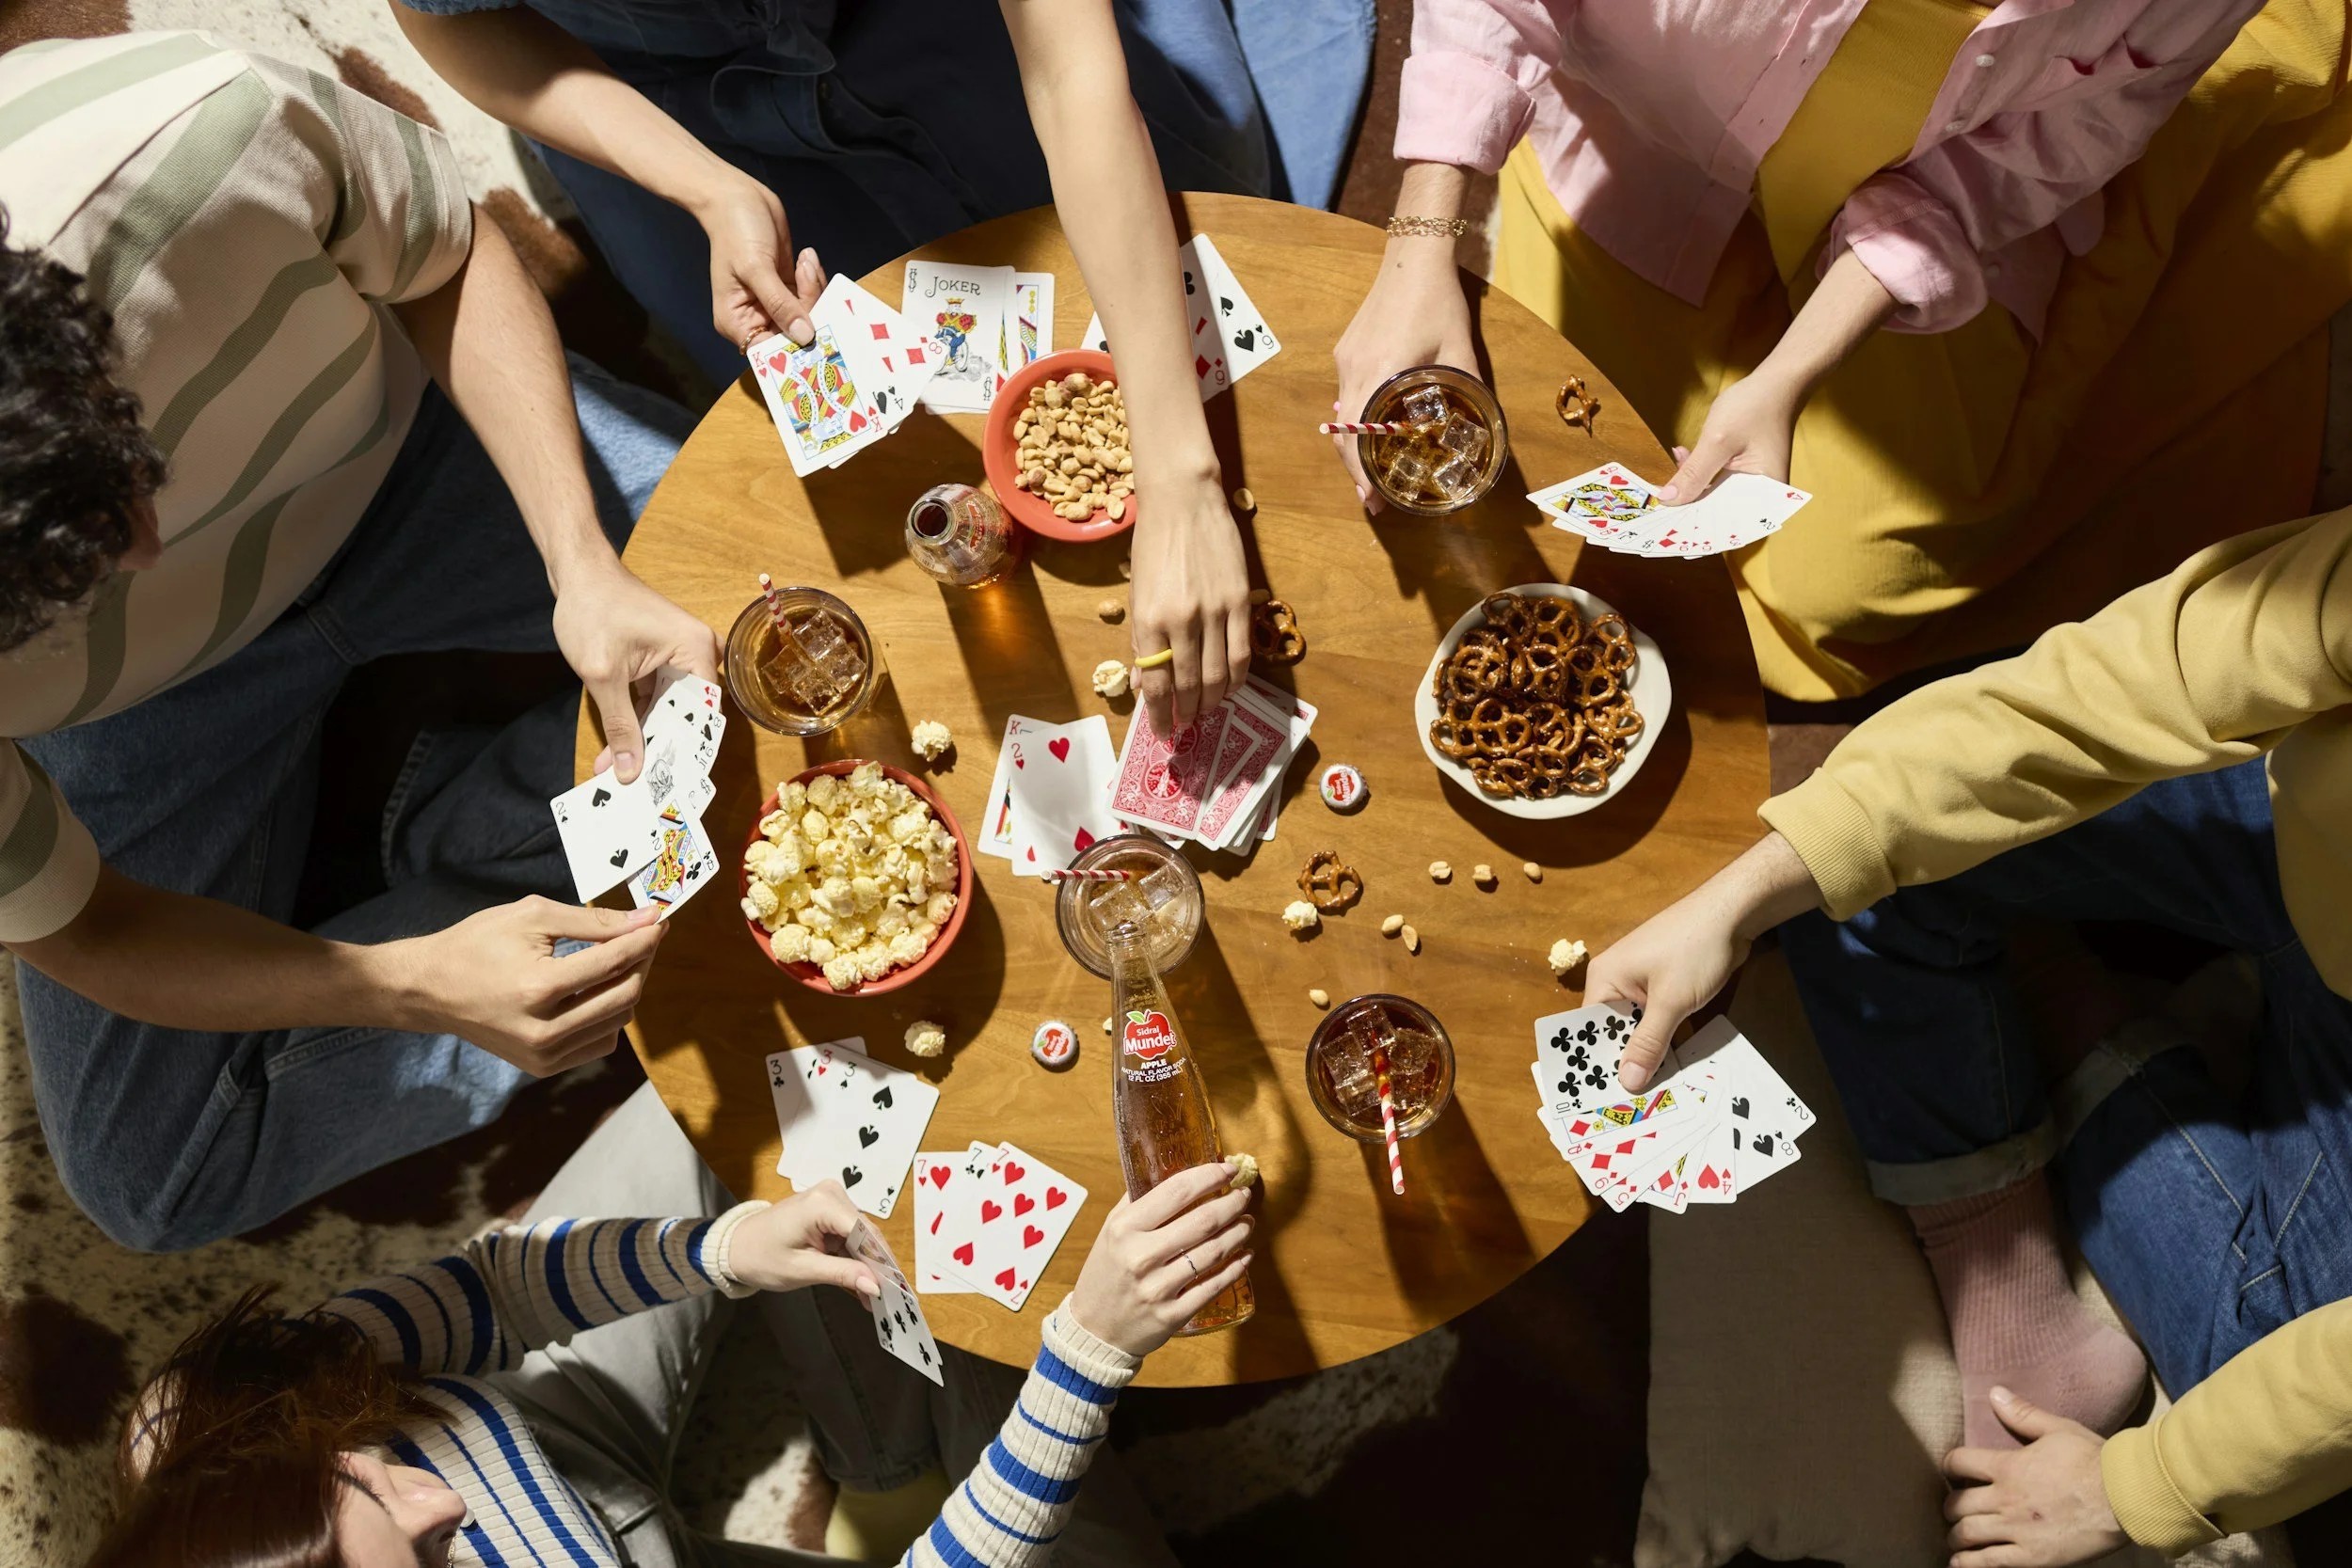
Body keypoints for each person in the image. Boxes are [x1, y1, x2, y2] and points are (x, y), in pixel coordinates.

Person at [0, 32, 719, 1252]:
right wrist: (404, 985)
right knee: (150, 1182)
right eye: (60, 587)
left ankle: (482, 822)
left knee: (816, 610)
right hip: (145, 719)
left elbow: (449, 252)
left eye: (126, 474)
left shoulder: (187, 138)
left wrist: (578, 558)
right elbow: (85, 930)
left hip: (410, 471)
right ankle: (519, 853)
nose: (152, 557)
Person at [1583, 508, 2352, 1556]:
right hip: (2303, 846)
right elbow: (2134, 678)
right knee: (1859, 828)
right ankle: (2019, 1214)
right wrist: (1751, 888)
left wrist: (2137, 1486)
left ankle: (2072, 1004)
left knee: (2267, 1403)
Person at [1333, 0, 2352, 702]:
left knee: (1853, 586)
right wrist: (1420, 246)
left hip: (1912, 194)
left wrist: (1792, 371)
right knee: (1550, 438)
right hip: (1640, 127)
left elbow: (2015, 165)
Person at [393, 0, 1279, 733]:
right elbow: (443, 20)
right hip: (652, 83)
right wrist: (705, 186)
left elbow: (1069, 69)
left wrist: (1181, 475)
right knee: (818, 417)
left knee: (1215, 205)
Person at [88, 1079, 1255, 1567]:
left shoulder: (217, 1422)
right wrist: (1087, 1355)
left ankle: (886, 1453)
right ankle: (895, 1466)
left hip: (551, 1429)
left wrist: (724, 1251)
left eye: (366, 1480)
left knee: (767, 1095)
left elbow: (495, 1294)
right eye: (433, 1557)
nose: (443, 1500)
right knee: (1026, 1349)